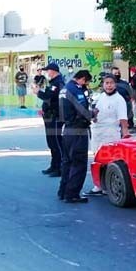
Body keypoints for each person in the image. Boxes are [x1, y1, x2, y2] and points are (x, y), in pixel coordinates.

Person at [84, 75, 130, 196]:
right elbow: (95, 113)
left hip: (110, 133)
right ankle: (98, 186)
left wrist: (125, 133)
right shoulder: (100, 97)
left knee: (108, 160)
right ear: (103, 85)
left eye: (111, 83)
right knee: (97, 159)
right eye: (106, 83)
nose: (109, 85)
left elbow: (123, 119)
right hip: (97, 132)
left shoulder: (119, 100)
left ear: (115, 85)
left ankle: (107, 186)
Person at [58, 69, 94, 204]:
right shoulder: (76, 90)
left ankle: (63, 191)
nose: (86, 85)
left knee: (67, 162)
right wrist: (93, 114)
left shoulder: (65, 88)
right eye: (87, 82)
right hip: (78, 131)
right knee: (78, 163)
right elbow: (83, 111)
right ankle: (72, 194)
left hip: (67, 129)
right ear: (82, 79)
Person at [34, 63, 65, 177]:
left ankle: (60, 167)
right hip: (49, 116)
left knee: (56, 142)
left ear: (53, 71)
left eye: (48, 71)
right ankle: (54, 165)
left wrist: (38, 92)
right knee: (51, 142)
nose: (47, 73)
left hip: (55, 116)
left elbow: (49, 97)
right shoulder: (53, 82)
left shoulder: (58, 83)